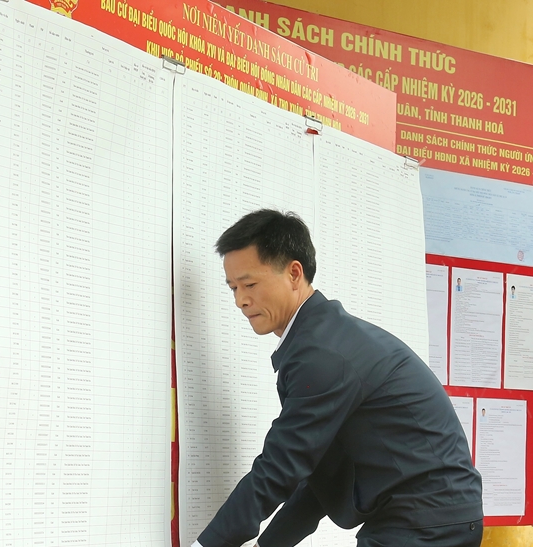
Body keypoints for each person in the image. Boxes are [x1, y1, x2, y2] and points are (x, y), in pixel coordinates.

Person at [192, 209, 482, 547]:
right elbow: (315, 474)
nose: (241, 300)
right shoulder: (323, 337)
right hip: (435, 516)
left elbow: (280, 465)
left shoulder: (322, 353)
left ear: (294, 273)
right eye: (233, 288)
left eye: (250, 284)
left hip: (425, 522)